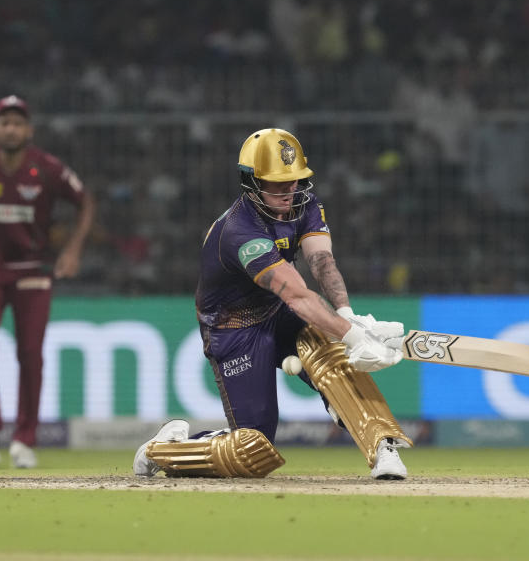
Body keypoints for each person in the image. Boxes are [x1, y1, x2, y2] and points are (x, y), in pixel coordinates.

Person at [132, 128, 411, 481]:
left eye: (295, 181)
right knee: (253, 449)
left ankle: (382, 448)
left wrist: (346, 317)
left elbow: (322, 262)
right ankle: (166, 449)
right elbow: (295, 293)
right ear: (250, 183)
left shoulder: (305, 203)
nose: (288, 190)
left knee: (332, 355)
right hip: (234, 329)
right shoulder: (239, 231)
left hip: (279, 312)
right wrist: (355, 337)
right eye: (277, 184)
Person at [0, 95, 95, 468]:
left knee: (30, 353)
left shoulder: (48, 168)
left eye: (17, 123)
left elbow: (85, 202)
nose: (10, 129)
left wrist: (73, 251)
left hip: (32, 270)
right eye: (4, 122)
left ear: (29, 130)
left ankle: (24, 440)